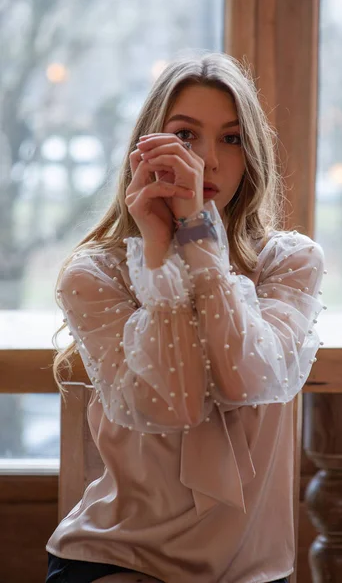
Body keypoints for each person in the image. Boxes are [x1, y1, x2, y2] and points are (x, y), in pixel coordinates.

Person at [45, 51, 326, 583]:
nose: (208, 162)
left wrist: (199, 240)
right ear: (146, 152)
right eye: (186, 136)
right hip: (116, 558)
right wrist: (157, 253)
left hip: (252, 570)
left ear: (253, 155)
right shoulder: (96, 274)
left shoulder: (288, 263)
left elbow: (246, 380)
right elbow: (171, 404)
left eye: (232, 138)